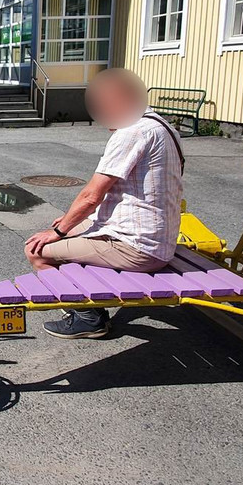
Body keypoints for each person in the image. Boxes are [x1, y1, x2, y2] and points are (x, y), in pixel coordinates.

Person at [24, 68, 184, 339]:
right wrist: (68, 225)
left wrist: (60, 231)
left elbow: (91, 196)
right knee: (68, 228)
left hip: (138, 246)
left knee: (36, 250)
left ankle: (88, 317)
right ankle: (85, 299)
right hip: (158, 237)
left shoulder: (132, 131)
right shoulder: (161, 124)